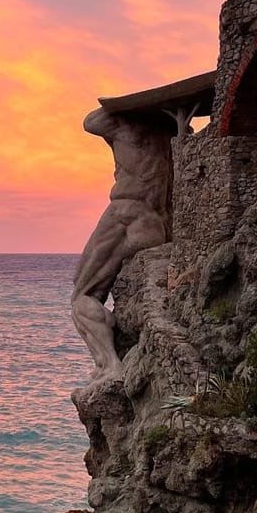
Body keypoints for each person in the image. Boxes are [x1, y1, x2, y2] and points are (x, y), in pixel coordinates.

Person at [72, 107, 173, 378]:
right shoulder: (169, 135)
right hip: (158, 223)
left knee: (82, 296)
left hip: (126, 212)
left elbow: (90, 121)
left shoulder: (123, 128)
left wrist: (124, 104)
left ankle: (109, 365)